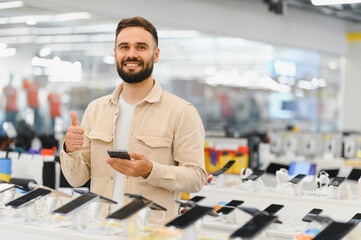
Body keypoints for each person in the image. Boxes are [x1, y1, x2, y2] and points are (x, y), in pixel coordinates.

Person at [60, 16, 206, 224]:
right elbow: (77, 179)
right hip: (101, 228)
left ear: (155, 55)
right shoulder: (95, 109)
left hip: (151, 232)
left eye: (141, 47)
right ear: (115, 53)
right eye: (124, 47)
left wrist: (151, 171)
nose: (131, 54)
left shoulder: (181, 112)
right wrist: (69, 150)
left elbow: (196, 178)